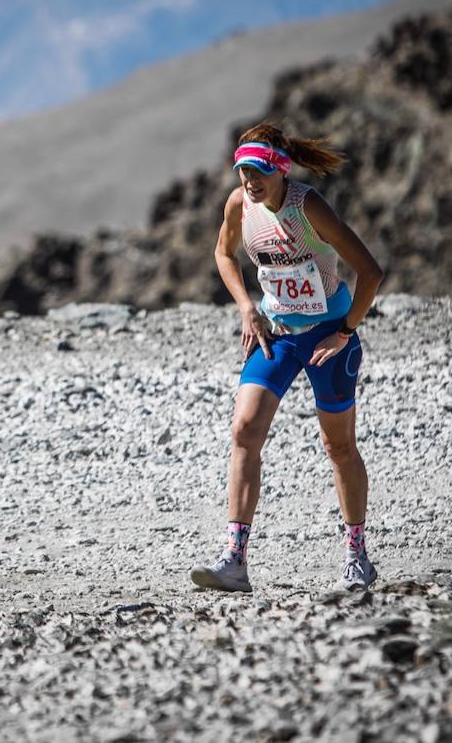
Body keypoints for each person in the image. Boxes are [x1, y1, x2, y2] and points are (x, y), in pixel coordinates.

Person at [191, 123, 385, 593]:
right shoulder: (240, 205)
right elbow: (223, 253)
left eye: (258, 171)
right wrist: (246, 306)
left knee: (338, 447)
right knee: (244, 431)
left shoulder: (308, 206)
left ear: (279, 169)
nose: (249, 181)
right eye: (242, 172)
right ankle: (234, 562)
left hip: (326, 338)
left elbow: (370, 272)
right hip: (276, 335)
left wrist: (344, 332)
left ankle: (357, 557)